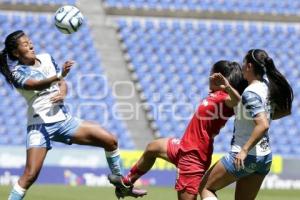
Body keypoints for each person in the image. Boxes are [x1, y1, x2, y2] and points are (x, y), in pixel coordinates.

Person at [0, 30, 146, 200]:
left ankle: (122, 186)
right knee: (30, 175)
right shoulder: (17, 72)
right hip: (40, 126)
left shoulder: (46, 58)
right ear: (16, 52)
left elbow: (62, 83)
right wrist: (60, 74)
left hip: (65, 121)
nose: (31, 45)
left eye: (30, 41)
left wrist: (62, 93)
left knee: (110, 140)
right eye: (25, 44)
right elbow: (35, 85)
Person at [108, 60, 247, 200]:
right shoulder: (215, 95)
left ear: (219, 78)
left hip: (193, 156)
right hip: (183, 147)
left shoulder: (225, 98)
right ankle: (127, 183)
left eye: (211, 74)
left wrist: (228, 87)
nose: (208, 77)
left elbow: (238, 102)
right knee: (153, 147)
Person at [199, 49, 294, 200]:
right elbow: (284, 112)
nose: (242, 66)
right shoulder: (267, 87)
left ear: (249, 66)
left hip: (245, 155)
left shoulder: (250, 93)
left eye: (244, 63)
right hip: (264, 158)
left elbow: (263, 125)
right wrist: (229, 89)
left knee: (205, 188)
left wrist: (243, 151)